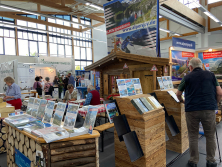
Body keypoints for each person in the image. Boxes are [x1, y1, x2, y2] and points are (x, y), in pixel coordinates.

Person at [176, 58, 222, 167]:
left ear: (190, 67)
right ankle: (211, 161)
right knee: (210, 135)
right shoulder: (211, 75)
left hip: (192, 110)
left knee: (193, 136)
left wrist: (183, 101)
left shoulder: (187, 77)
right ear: (201, 66)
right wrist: (214, 103)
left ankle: (193, 161)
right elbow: (220, 92)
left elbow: (178, 94)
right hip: (209, 109)